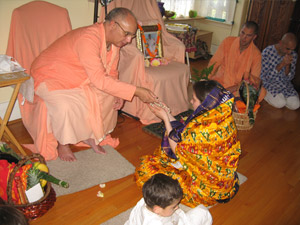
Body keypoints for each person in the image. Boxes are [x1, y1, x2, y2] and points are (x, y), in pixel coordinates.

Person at [29, 8, 157, 161]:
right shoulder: (88, 38)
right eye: (126, 34)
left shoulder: (114, 43)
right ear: (112, 25)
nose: (129, 40)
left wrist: (118, 93)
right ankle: (63, 143)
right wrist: (136, 91)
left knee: (108, 96)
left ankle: (89, 136)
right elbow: (99, 79)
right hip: (50, 76)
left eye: (131, 35)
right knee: (65, 105)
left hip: (80, 77)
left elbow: (112, 73)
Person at [135, 80, 241, 208]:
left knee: (145, 169)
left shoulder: (202, 131)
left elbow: (178, 149)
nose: (191, 101)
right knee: (164, 153)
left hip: (206, 191)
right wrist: (167, 113)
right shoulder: (220, 116)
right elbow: (185, 133)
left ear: (205, 104)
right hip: (224, 183)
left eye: (194, 99)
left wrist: (165, 119)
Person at [208, 21, 266, 101]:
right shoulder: (228, 41)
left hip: (239, 87)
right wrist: (206, 78)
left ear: (254, 37)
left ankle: (229, 98)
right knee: (209, 87)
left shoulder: (256, 54)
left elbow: (254, 79)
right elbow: (214, 62)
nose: (244, 37)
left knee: (262, 92)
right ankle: (230, 100)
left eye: (248, 35)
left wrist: (234, 87)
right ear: (240, 31)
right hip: (222, 80)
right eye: (242, 33)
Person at [126, 173, 212, 225]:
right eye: (174, 206)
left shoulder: (147, 200)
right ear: (157, 209)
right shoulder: (155, 223)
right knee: (203, 212)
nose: (177, 207)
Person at [261, 33, 300, 110]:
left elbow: (289, 78)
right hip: (269, 84)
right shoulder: (267, 52)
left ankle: (282, 97)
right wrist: (282, 64)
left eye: (292, 49)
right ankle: (264, 94)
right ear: (280, 43)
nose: (290, 52)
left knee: (296, 105)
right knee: (280, 103)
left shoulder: (293, 55)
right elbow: (264, 77)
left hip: (284, 85)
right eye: (288, 49)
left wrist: (287, 65)